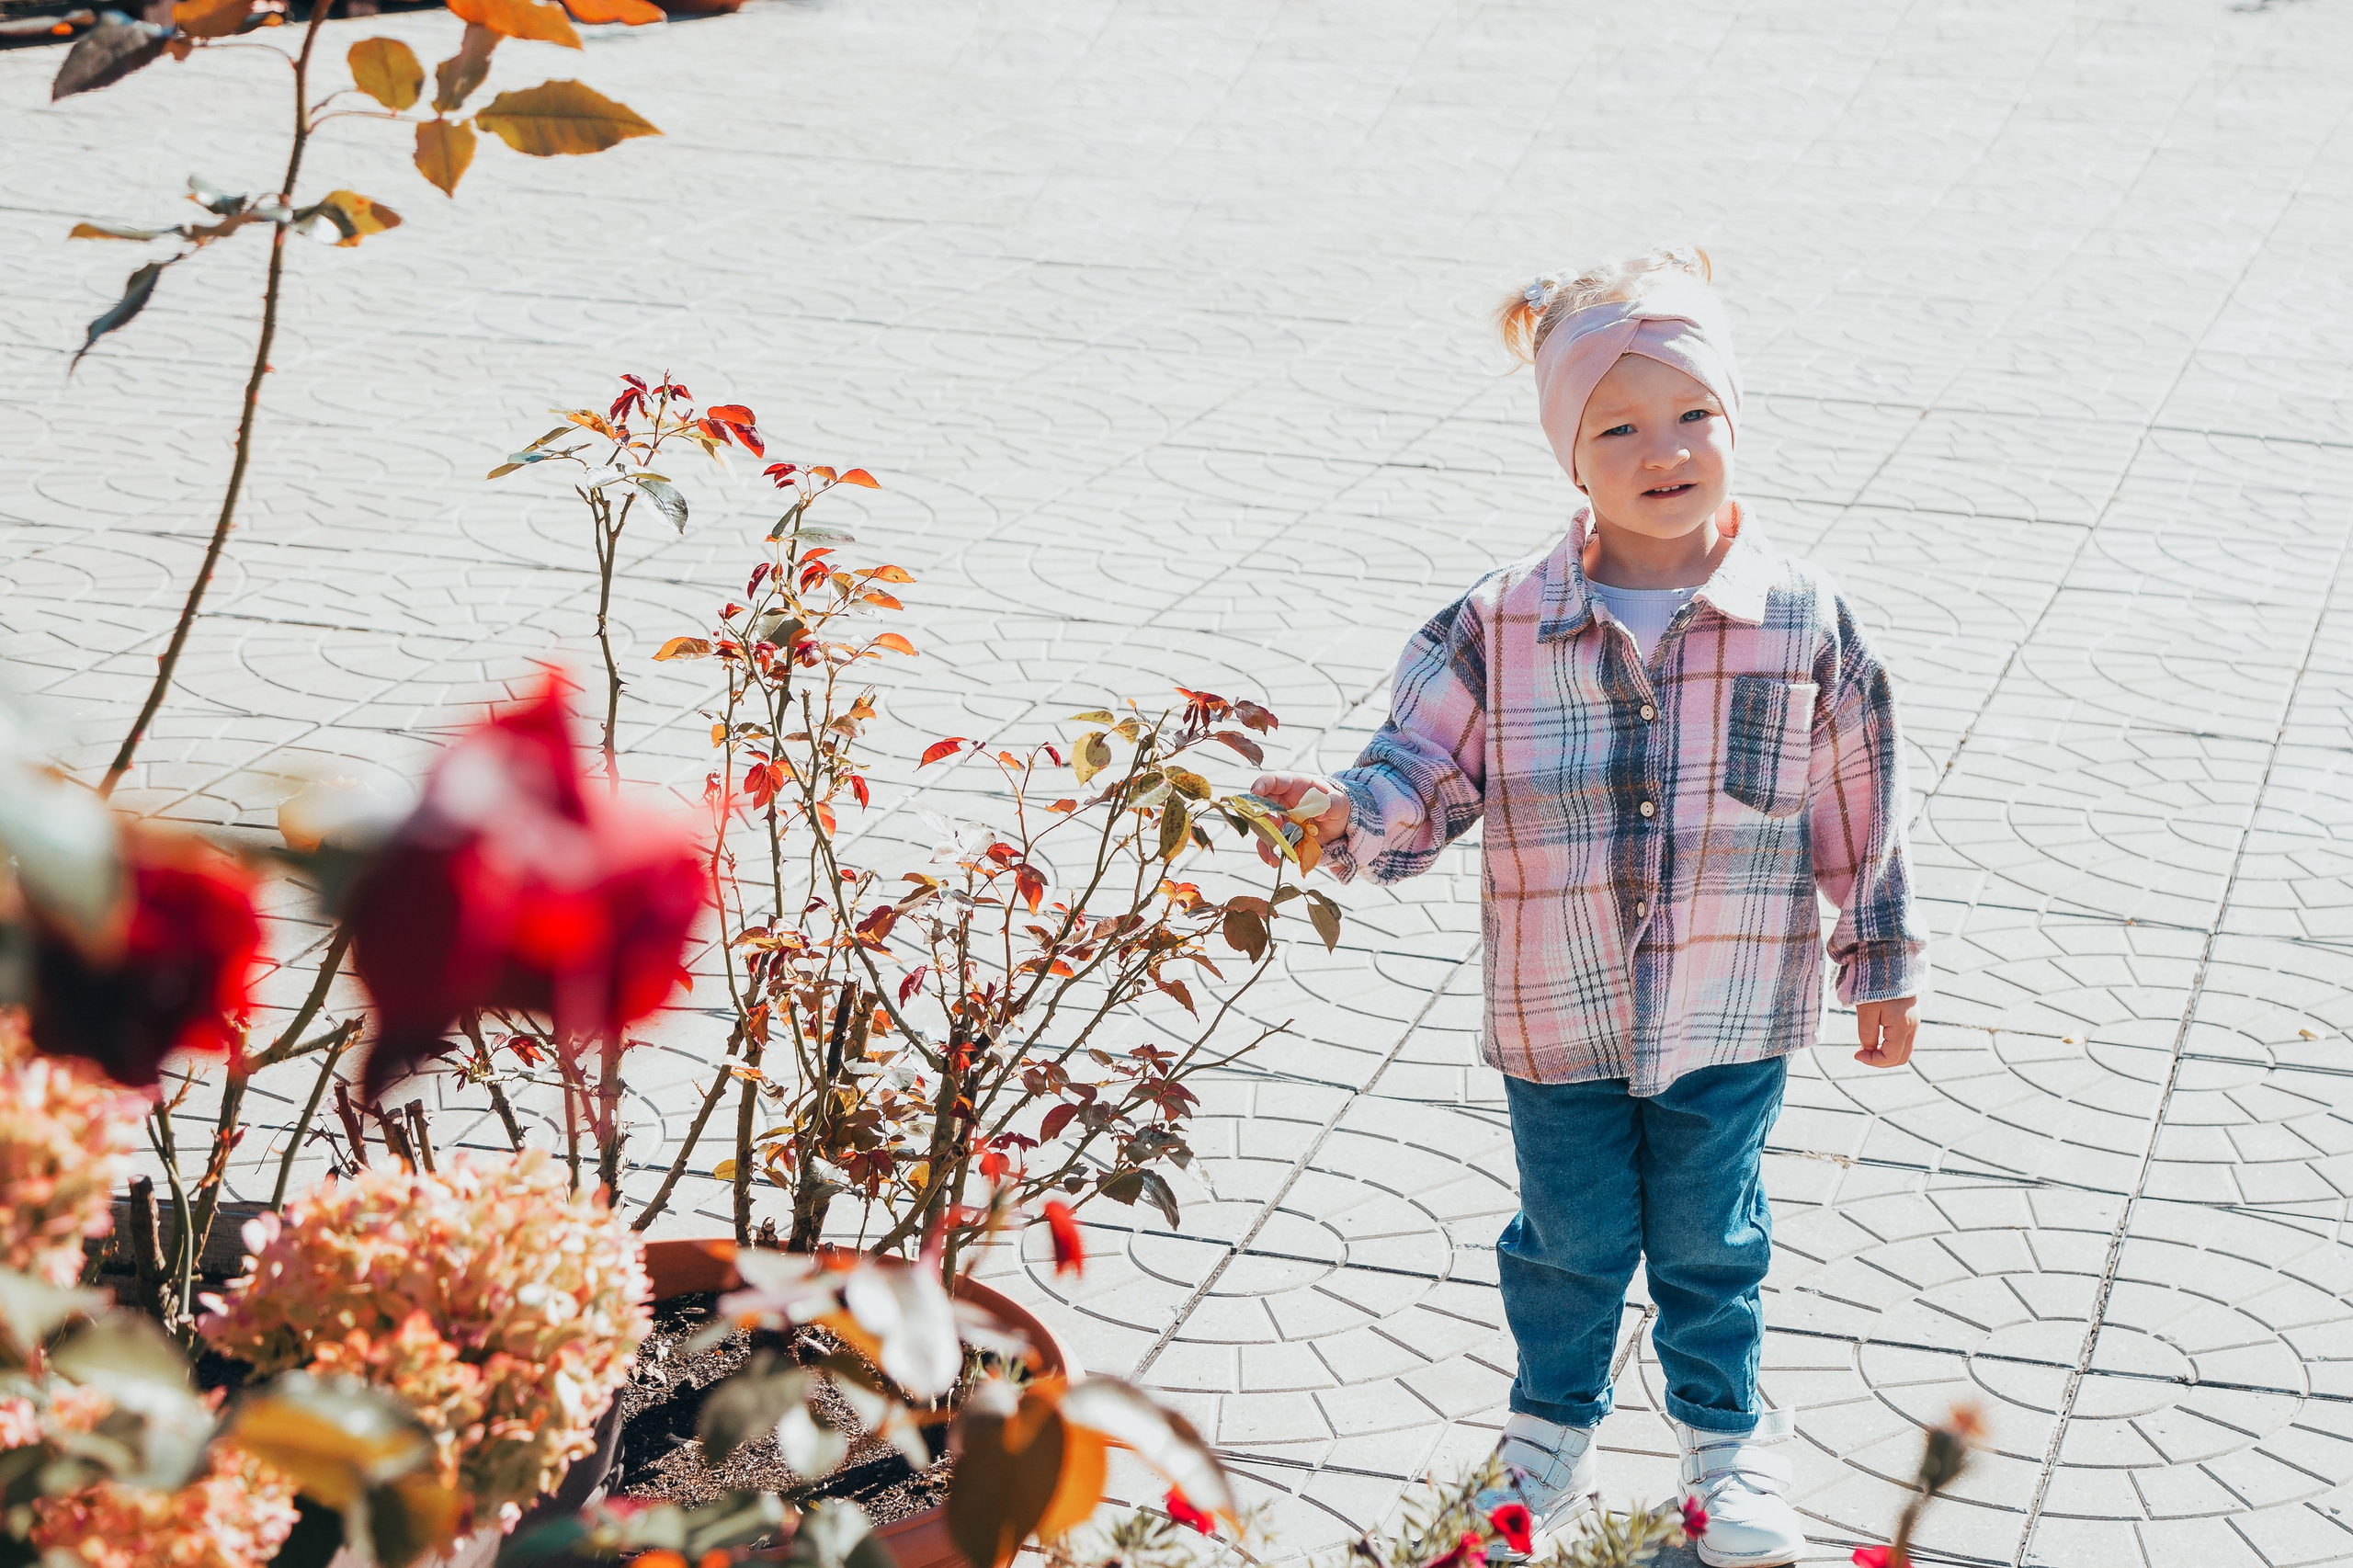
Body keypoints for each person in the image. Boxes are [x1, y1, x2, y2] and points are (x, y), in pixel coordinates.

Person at [1252, 246, 1926, 1568]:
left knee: (1710, 1241)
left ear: (1736, 423)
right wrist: (1342, 813)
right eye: (1618, 426)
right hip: (1557, 1014)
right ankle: (1546, 1437)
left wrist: (1880, 958)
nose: (1663, 449)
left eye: (1694, 416)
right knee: (1566, 1242)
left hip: (1727, 1008)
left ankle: (1729, 1445)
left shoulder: (1805, 623)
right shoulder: (1501, 624)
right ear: (1571, 454)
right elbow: (1419, 773)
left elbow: (1860, 797)